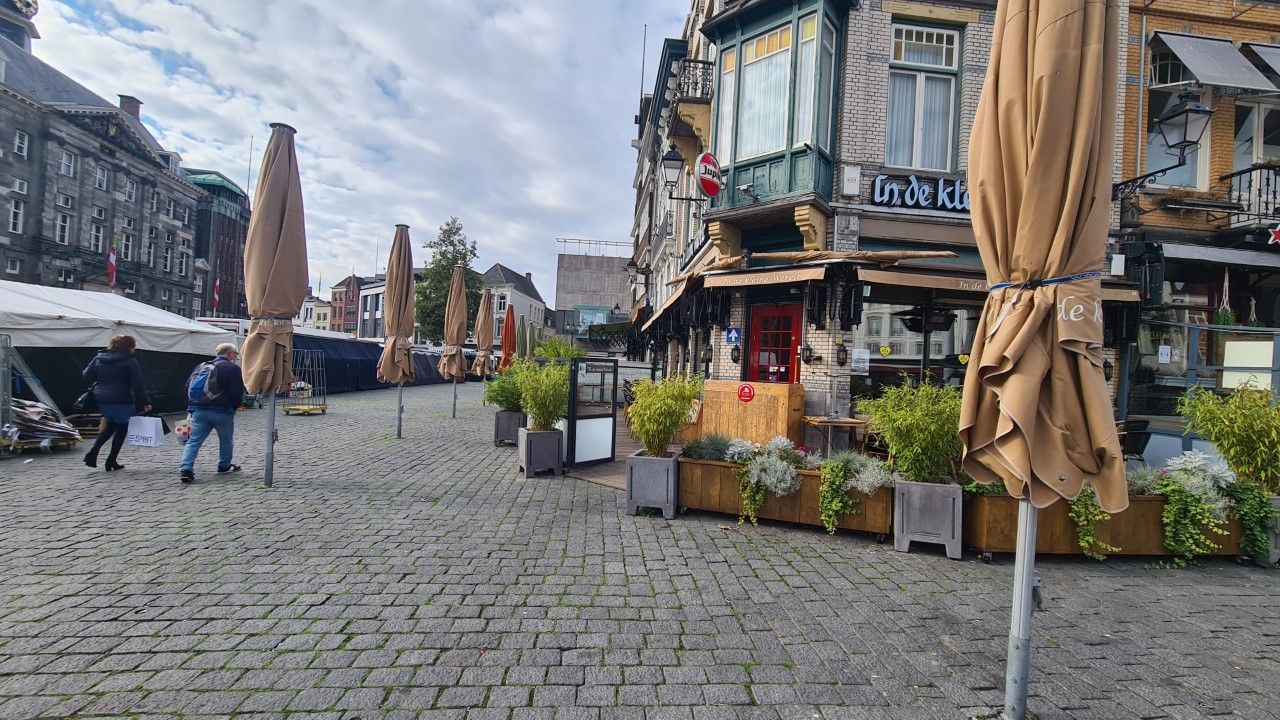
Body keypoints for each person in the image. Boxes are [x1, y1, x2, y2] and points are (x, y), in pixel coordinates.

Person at [179, 342, 247, 483]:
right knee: (226, 440)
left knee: (193, 441)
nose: (236, 357)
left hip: (199, 410)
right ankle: (224, 466)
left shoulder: (202, 366)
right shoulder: (232, 368)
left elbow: (186, 387)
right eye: (235, 354)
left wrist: (191, 407)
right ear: (229, 353)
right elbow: (237, 391)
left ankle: (186, 469)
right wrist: (233, 407)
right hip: (222, 411)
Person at [82, 335, 151, 471]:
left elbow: (86, 374)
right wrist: (145, 401)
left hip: (101, 397)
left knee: (111, 425)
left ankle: (93, 453)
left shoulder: (99, 358)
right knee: (121, 429)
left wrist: (103, 379)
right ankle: (110, 460)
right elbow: (138, 384)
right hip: (122, 398)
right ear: (129, 346)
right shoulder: (130, 361)